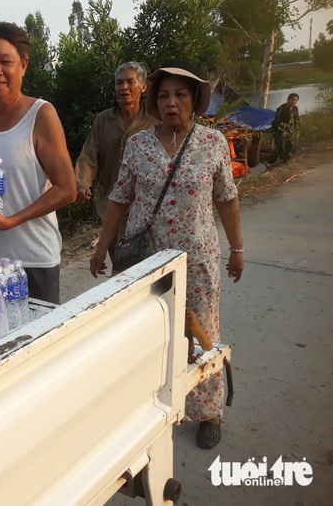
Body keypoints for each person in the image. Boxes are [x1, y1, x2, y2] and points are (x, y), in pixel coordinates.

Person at [89, 61, 244, 449]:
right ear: (154, 101)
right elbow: (119, 199)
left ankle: (208, 413)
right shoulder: (138, 144)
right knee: (149, 331)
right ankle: (151, 404)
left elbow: (227, 199)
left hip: (199, 259)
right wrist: (102, 245)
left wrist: (237, 248)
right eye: (163, 95)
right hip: (146, 261)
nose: (171, 102)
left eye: (180, 94)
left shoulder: (212, 143)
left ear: (194, 100)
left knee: (202, 334)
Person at [0, 22, 76, 303]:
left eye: (5, 62)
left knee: (39, 344)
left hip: (32, 260)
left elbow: (67, 188)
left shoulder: (41, 115)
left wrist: (10, 221)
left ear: (23, 65)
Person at [74, 61, 158, 267]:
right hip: (109, 204)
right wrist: (81, 184)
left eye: (130, 82)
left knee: (137, 267)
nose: (124, 87)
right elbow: (89, 155)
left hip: (143, 208)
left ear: (143, 86)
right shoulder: (104, 120)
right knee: (120, 263)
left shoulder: (155, 122)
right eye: (119, 83)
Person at [269, 92, 300, 164]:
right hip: (277, 128)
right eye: (292, 99)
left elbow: (297, 120)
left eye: (296, 100)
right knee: (280, 147)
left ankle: (286, 160)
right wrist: (282, 131)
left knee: (290, 145)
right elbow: (278, 120)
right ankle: (271, 161)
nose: (294, 101)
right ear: (288, 99)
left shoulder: (295, 109)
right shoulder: (282, 108)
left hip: (287, 128)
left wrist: (297, 131)